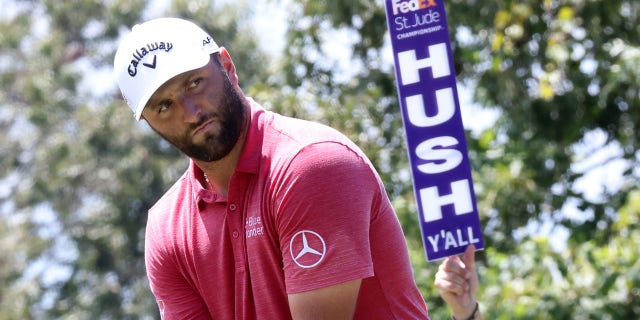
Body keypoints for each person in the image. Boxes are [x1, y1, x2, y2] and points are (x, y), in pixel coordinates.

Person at [114, 17, 481, 320]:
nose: (191, 112)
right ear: (149, 123)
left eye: (195, 83)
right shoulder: (166, 228)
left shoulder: (311, 166)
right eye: (164, 107)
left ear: (227, 66)